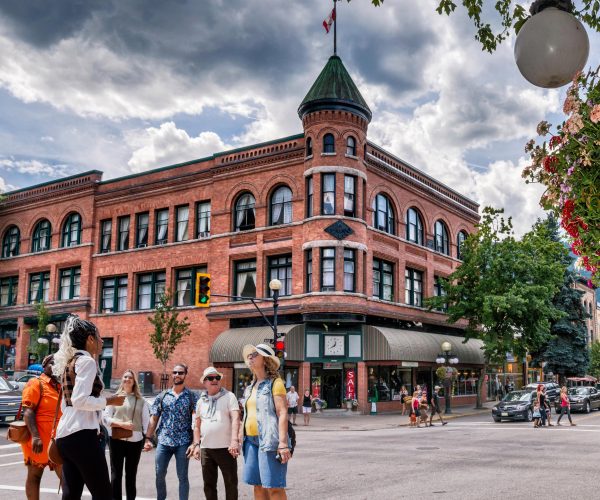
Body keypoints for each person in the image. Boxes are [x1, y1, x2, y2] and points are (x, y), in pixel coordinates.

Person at [53, 315, 125, 499]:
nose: (102, 341)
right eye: (99, 337)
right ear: (90, 339)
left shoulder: (70, 362)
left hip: (65, 436)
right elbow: (79, 400)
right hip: (82, 436)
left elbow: (66, 405)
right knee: (103, 494)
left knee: (71, 494)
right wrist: (110, 401)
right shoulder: (87, 361)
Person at [241, 343, 291, 499]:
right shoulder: (250, 387)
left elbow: (282, 412)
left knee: (274, 487)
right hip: (250, 441)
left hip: (270, 440)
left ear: (266, 360)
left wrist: (283, 444)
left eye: (255, 354)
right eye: (249, 355)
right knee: (257, 485)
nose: (250, 357)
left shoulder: (275, 383)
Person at [144, 363, 199, 500]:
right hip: (164, 441)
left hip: (183, 443)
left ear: (185, 375)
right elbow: (154, 418)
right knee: (159, 474)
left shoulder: (192, 396)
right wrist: (148, 438)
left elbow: (197, 421)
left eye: (180, 373)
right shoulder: (162, 396)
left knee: (183, 477)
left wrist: (195, 443)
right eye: (175, 372)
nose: (177, 375)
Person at [190, 366, 240, 500]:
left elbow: (236, 419)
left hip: (226, 449)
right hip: (206, 449)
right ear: (204, 382)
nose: (214, 380)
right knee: (209, 485)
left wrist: (234, 441)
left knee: (231, 484)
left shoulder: (229, 396)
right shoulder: (200, 401)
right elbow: (197, 426)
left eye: (217, 377)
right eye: (210, 378)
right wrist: (196, 445)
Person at [20, 355, 62, 500]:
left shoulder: (60, 386)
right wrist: (36, 437)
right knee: (35, 475)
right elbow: (28, 411)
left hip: (57, 440)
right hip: (39, 440)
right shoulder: (36, 383)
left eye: (59, 363)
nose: (55, 366)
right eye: (52, 363)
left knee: (66, 476)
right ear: (44, 366)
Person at [104, 369, 150, 500]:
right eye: (125, 377)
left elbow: (146, 422)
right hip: (116, 440)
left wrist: (147, 439)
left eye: (130, 377)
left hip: (135, 442)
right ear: (122, 380)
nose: (127, 379)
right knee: (115, 474)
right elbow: (105, 418)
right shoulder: (115, 398)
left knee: (131, 475)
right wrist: (121, 424)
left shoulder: (141, 400)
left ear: (134, 381)